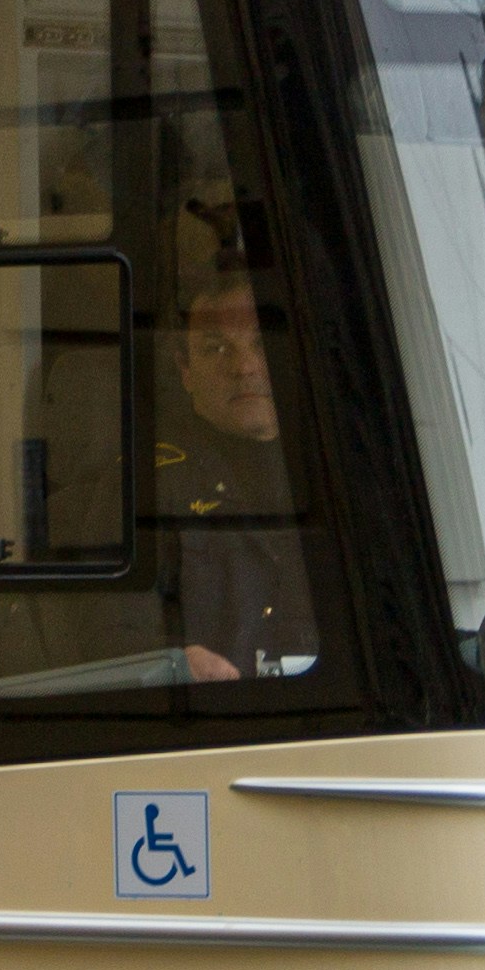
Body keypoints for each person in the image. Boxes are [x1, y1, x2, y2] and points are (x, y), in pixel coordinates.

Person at [147, 274, 320, 683]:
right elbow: (115, 629)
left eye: (260, 343)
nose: (245, 367)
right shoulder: (147, 486)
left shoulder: (344, 471)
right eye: (217, 348)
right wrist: (173, 661)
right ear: (185, 371)